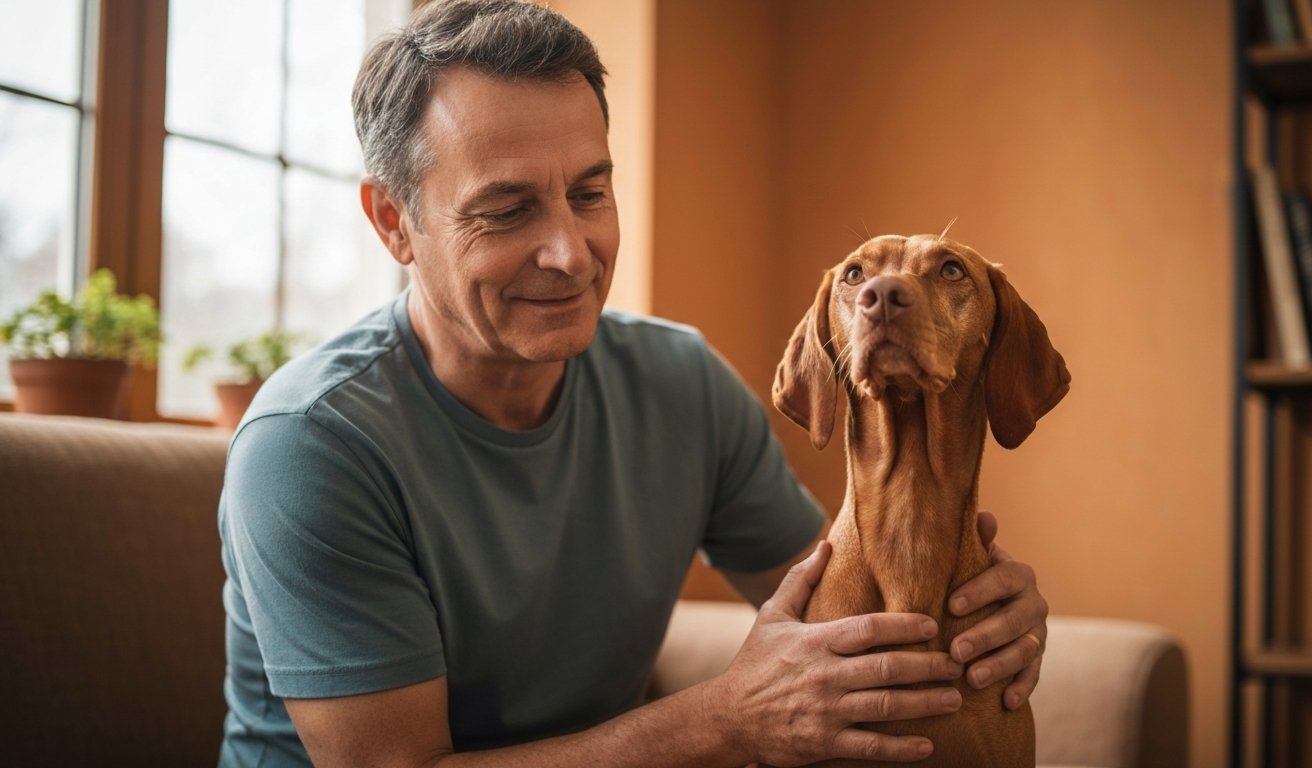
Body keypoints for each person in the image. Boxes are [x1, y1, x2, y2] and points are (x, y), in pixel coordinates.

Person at [217, 1, 1049, 766]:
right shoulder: (309, 443)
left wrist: (980, 615)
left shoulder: (681, 385)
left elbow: (837, 613)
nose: (572, 254)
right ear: (395, 222)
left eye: (590, 192)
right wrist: (723, 718)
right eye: (507, 211)